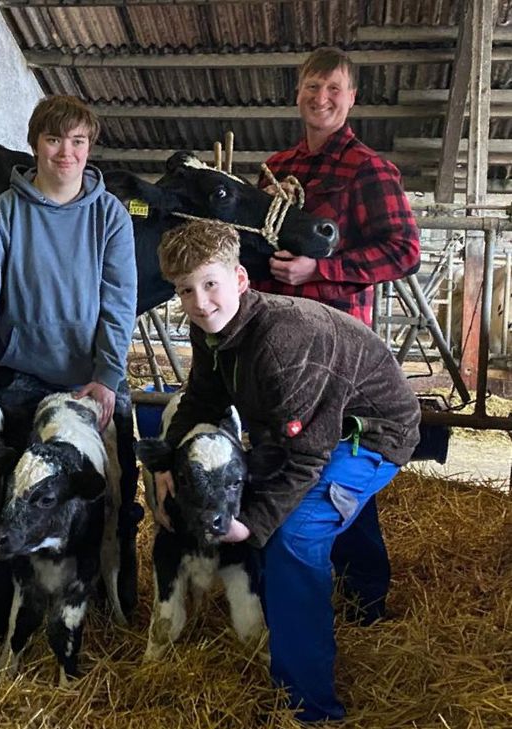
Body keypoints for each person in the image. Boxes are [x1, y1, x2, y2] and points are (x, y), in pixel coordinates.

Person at [154, 219, 420, 722]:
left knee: (293, 536)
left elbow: (306, 459)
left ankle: (310, 707)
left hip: (371, 432)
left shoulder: (281, 343)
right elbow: (203, 400)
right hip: (310, 427)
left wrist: (253, 524)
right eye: (186, 290)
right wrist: (167, 460)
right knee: (297, 504)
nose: (201, 302)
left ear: (240, 279)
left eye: (210, 284)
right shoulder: (213, 331)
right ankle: (359, 603)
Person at [0, 94, 142, 615]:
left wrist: (109, 375)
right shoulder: (6, 212)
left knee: (114, 491)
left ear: (90, 148)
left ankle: (113, 602)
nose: (66, 152)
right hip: (22, 371)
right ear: (35, 144)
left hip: (91, 379)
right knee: (11, 490)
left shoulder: (110, 216)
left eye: (78, 141)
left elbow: (119, 302)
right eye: (55, 139)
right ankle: (6, 607)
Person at [256, 46, 421, 627]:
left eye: (333, 89)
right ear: (297, 93)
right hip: (277, 342)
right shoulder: (275, 169)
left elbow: (404, 251)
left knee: (336, 464)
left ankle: (364, 598)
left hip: (337, 350)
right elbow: (256, 242)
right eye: (311, 87)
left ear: (351, 98)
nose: (320, 98)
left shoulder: (370, 169)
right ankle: (272, 586)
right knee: (278, 456)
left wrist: (318, 270)